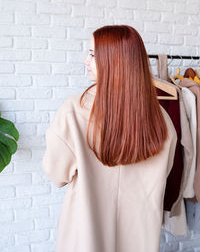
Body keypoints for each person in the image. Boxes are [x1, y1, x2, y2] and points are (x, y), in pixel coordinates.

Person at [42, 25, 177, 252]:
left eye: (93, 54)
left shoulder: (74, 110)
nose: (86, 61)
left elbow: (57, 174)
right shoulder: (161, 118)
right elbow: (166, 171)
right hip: (140, 238)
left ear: (114, 60)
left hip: (87, 235)